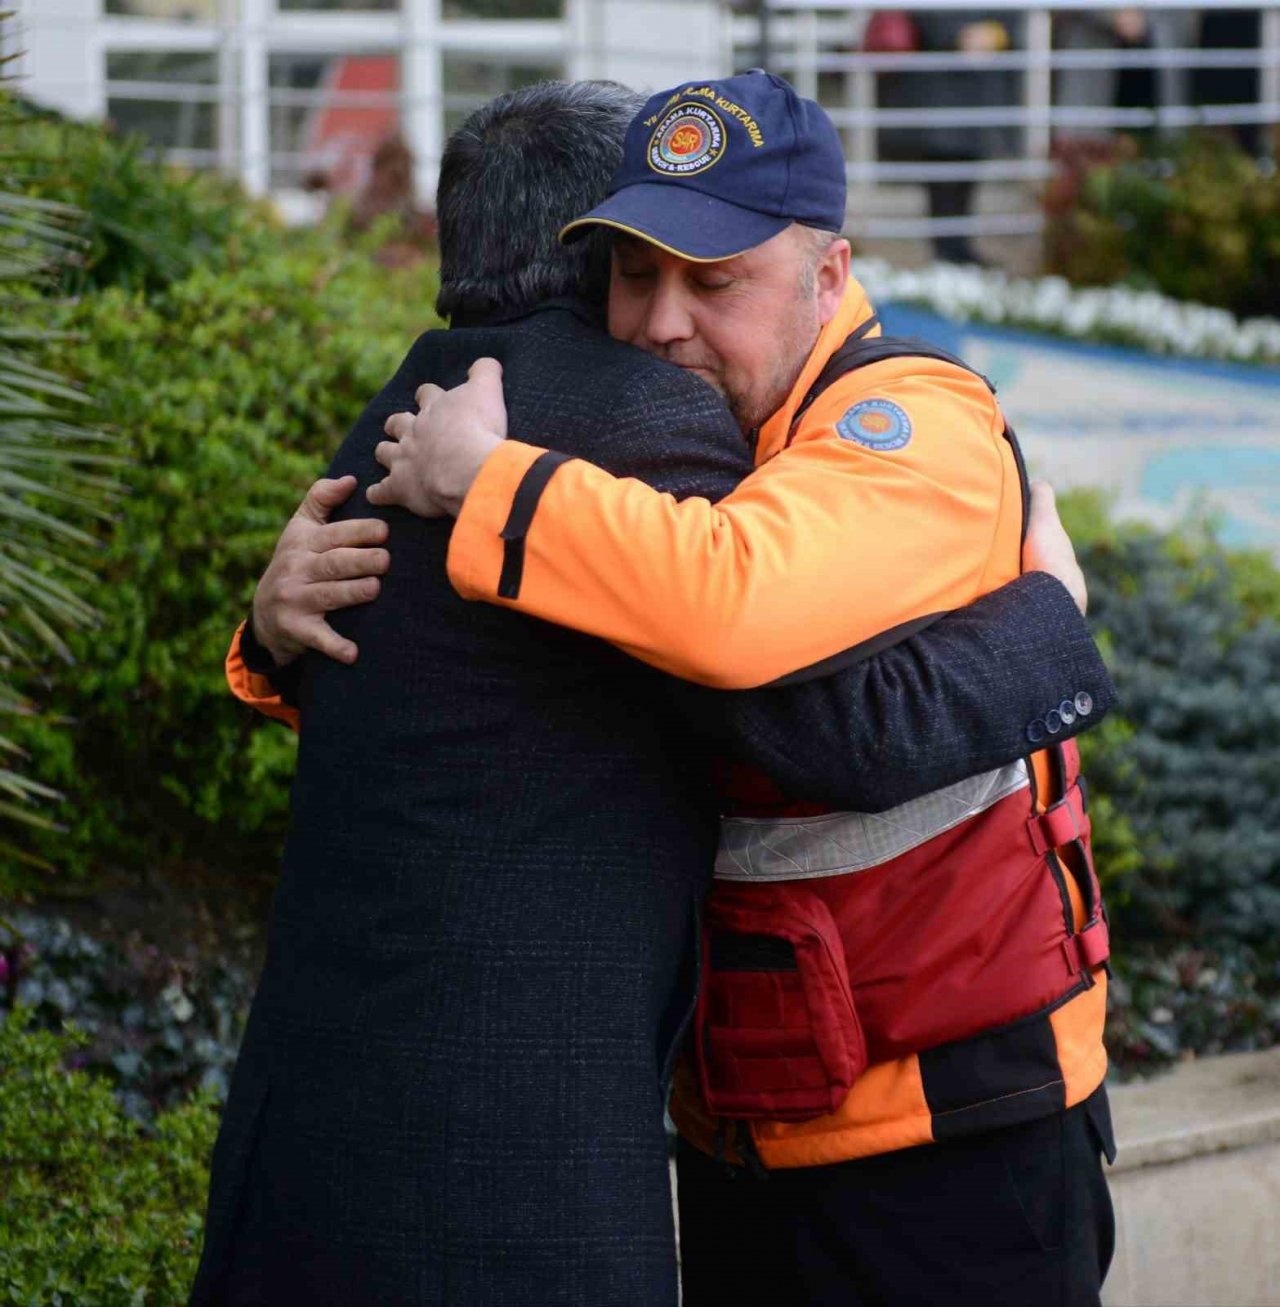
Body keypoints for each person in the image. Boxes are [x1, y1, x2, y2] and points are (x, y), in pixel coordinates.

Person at [201, 78, 1113, 1307]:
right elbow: (517, 703)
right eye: (633, 276)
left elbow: (759, 645)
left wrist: (490, 482)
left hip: (949, 1134)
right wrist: (274, 637)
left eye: (714, 280)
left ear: (829, 272)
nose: (662, 322)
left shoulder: (904, 418)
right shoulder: (681, 436)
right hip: (742, 1127)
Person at [877, 10, 1023, 265]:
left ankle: (959, 247)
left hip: (979, 86)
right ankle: (946, 250)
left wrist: (995, 33)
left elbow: (1011, 13)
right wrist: (958, 34)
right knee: (942, 168)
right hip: (937, 81)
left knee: (968, 165)